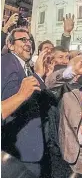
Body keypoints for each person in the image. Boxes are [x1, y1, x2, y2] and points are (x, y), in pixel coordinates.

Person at [1, 28, 54, 177]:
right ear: (11, 46)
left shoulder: (25, 67)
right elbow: (10, 99)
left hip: (30, 148)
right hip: (19, 149)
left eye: (29, 39)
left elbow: (36, 100)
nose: (28, 43)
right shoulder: (7, 61)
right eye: (22, 40)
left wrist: (41, 77)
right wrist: (37, 76)